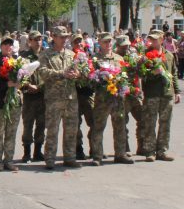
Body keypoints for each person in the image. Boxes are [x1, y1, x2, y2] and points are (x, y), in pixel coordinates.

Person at [36, 26, 80, 170]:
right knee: (52, 130)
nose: (64, 39)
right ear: (54, 37)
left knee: (71, 129)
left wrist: (77, 74)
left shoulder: (70, 54)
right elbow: (42, 72)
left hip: (70, 97)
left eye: (66, 37)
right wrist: (62, 74)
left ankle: (70, 157)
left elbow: (77, 69)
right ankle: (50, 158)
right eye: (61, 37)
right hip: (54, 98)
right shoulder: (45, 54)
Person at [90, 33, 134, 166]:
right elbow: (91, 79)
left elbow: (125, 76)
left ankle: (120, 154)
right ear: (99, 43)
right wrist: (100, 80)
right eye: (105, 42)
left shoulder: (119, 58)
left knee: (120, 126)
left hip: (117, 98)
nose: (108, 44)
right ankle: (97, 156)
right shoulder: (95, 59)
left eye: (110, 42)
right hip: (102, 98)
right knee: (98, 126)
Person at [141, 30, 181, 162]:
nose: (153, 41)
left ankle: (162, 151)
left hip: (166, 94)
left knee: (165, 123)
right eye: (151, 38)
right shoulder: (146, 55)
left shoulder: (169, 55)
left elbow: (173, 74)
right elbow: (142, 75)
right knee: (150, 123)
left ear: (162, 39)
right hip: (152, 93)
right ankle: (150, 152)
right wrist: (154, 72)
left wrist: (178, 92)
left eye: (156, 38)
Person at [0, 35, 21, 172]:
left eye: (10, 45)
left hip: (14, 103)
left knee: (11, 133)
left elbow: (24, 80)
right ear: (0, 47)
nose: (8, 47)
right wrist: (6, 84)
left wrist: (21, 84)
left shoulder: (18, 63)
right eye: (5, 44)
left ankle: (8, 160)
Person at [19, 31, 45, 162]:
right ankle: (27, 153)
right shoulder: (23, 56)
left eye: (40, 39)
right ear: (29, 41)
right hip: (29, 96)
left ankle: (38, 152)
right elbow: (19, 75)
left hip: (43, 95)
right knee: (28, 124)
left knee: (41, 124)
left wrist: (40, 87)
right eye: (35, 39)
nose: (38, 42)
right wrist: (28, 86)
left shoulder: (46, 55)